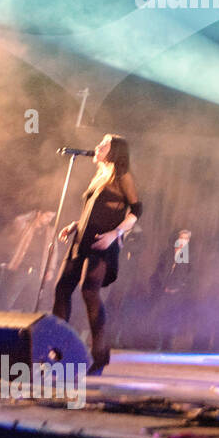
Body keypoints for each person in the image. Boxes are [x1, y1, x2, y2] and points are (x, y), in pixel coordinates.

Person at [52, 134, 142, 374]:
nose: (98, 146)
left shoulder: (122, 176)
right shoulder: (100, 175)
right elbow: (94, 209)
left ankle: (100, 356)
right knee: (61, 289)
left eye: (104, 144)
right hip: (81, 239)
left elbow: (136, 210)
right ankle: (56, 350)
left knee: (89, 292)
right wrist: (75, 224)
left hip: (103, 242)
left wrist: (116, 233)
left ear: (115, 151)